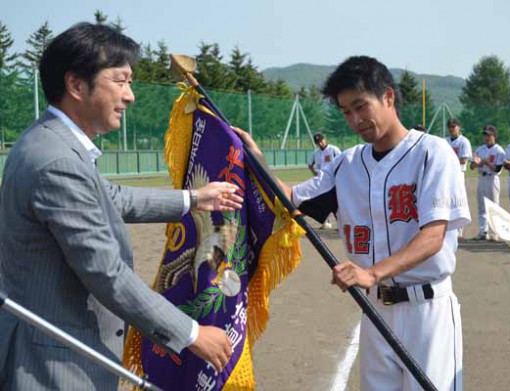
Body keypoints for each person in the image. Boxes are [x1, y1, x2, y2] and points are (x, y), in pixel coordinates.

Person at [0, 22, 243, 390]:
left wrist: (194, 198)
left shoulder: (51, 143)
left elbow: (111, 198)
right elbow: (105, 273)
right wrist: (191, 333)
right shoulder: (56, 160)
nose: (130, 96)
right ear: (77, 85)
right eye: (122, 80)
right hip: (52, 363)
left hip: (55, 351)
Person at [235, 56, 470, 391]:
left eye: (361, 106)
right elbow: (290, 199)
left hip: (427, 310)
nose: (355, 119)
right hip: (374, 309)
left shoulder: (432, 153)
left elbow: (433, 237)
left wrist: (371, 273)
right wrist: (255, 158)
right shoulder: (346, 163)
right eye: (346, 111)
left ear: (388, 97)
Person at [470, 125, 505, 240]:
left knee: (494, 206)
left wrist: (484, 162)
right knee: (482, 207)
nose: (486, 137)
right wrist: (475, 163)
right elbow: (471, 167)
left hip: (492, 179)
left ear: (494, 136)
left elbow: (497, 169)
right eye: (485, 135)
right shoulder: (480, 149)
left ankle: (495, 233)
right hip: (482, 178)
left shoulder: (499, 150)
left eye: (489, 135)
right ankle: (483, 232)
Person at [445, 118, 472, 239]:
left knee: (458, 201)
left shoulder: (463, 141)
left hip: (458, 174)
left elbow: (463, 159)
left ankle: (459, 231)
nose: (452, 129)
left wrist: (448, 161)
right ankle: (450, 229)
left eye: (454, 126)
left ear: (459, 127)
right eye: (450, 126)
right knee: (448, 201)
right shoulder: (445, 141)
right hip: (447, 175)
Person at [308, 132, 341, 229]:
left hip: (334, 180)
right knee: (323, 201)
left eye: (321, 141)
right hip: (321, 181)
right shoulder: (315, 153)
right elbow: (310, 165)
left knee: (337, 201)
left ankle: (340, 224)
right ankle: (326, 223)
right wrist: (315, 174)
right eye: (318, 142)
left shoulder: (333, 149)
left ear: (325, 139)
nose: (320, 143)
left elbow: (342, 160)